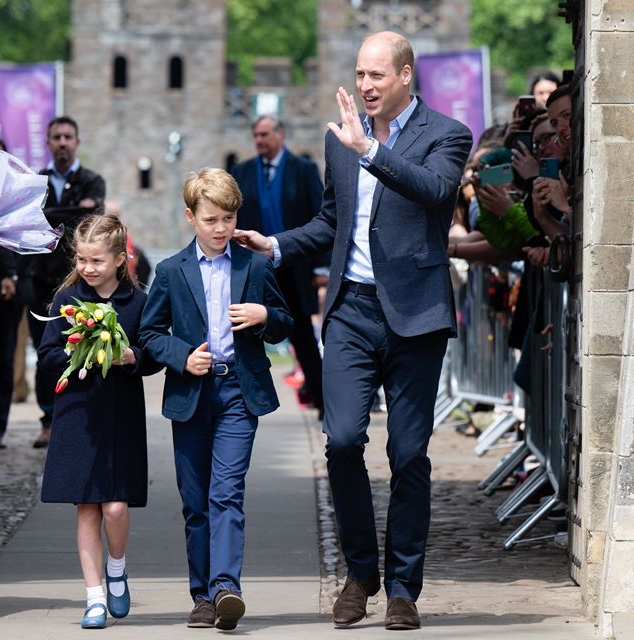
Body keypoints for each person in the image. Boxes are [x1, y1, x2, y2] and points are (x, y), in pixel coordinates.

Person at [235, 31, 472, 631]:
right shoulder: (340, 141)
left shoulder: (447, 134)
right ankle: (361, 569)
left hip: (416, 316)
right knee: (341, 440)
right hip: (349, 313)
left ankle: (401, 588)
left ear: (405, 76)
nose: (364, 85)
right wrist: (279, 244)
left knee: (409, 453)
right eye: (359, 74)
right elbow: (332, 221)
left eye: (376, 75)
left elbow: (436, 191)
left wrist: (371, 150)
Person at [139, 168, 293, 631]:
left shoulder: (255, 266)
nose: (221, 228)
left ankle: (227, 587)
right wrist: (183, 356)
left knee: (226, 492)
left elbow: (285, 321)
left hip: (238, 391)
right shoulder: (169, 271)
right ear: (191, 218)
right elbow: (149, 334)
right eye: (211, 219)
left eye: (228, 218)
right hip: (191, 393)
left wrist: (266, 314)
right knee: (195, 500)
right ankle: (202, 595)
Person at [38, 214, 160, 629]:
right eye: (83, 260)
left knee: (116, 507)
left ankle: (117, 566)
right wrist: (77, 350)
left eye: (97, 261)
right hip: (78, 415)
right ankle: (93, 597)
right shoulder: (66, 299)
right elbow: (47, 355)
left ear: (119, 260)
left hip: (121, 414)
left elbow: (152, 355)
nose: (88, 268)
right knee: (87, 507)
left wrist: (131, 357)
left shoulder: (138, 303)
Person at [230, 114, 327, 417]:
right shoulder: (242, 172)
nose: (259, 140)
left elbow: (321, 218)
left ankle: (324, 402)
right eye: (255, 135)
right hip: (255, 270)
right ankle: (241, 400)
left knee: (303, 339)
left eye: (265, 134)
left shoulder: (304, 170)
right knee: (245, 333)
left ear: (280, 134)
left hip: (295, 269)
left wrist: (321, 269)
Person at [23, 115, 106, 448]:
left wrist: (54, 214)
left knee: (82, 349)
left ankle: (78, 418)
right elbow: (30, 221)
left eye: (68, 136)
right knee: (47, 353)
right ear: (48, 141)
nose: (62, 142)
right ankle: (48, 419)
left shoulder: (92, 180)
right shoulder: (35, 182)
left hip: (80, 280)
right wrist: (70, 211)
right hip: (40, 281)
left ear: (77, 142)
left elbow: (88, 220)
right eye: (56, 136)